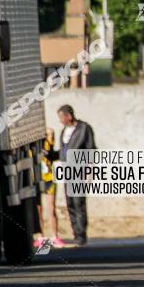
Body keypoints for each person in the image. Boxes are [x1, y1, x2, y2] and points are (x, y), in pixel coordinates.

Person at [54, 105, 96, 247]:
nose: (60, 120)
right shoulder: (64, 131)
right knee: (70, 203)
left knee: (79, 203)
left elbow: (91, 148)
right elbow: (64, 151)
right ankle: (75, 233)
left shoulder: (84, 129)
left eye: (61, 117)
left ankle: (81, 236)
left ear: (69, 116)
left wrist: (90, 169)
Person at [34, 128, 65, 249]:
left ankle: (55, 237)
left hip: (49, 178)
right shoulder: (31, 147)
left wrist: (42, 134)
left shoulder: (47, 142)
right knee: (39, 209)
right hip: (36, 178)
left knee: (51, 208)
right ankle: (41, 237)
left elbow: (50, 131)